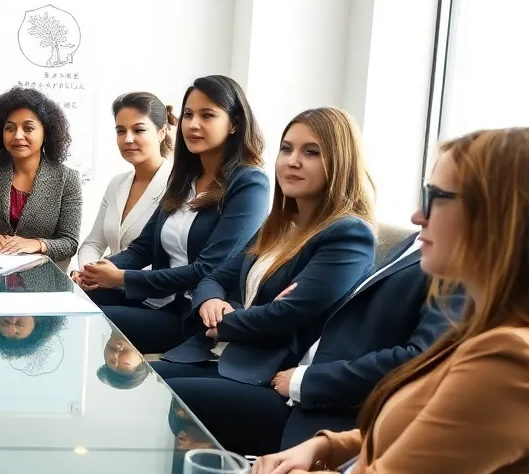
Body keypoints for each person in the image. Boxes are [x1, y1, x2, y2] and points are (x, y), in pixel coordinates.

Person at [252, 127, 529, 474]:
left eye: (436, 198)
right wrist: (328, 446)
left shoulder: (517, 364)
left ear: (504, 217)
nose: (418, 216)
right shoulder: (503, 335)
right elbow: (434, 436)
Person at [148, 108, 377, 449]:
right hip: (237, 356)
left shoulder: (348, 234)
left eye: (310, 152)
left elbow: (284, 317)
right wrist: (211, 299)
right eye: (286, 149)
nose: (292, 161)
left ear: (340, 161)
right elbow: (215, 276)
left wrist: (224, 324)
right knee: (143, 379)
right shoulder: (281, 225)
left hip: (277, 381)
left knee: (162, 392)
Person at [166, 226, 460, 455]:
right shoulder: (415, 240)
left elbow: (421, 359)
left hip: (329, 405)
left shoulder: (462, 261)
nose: (419, 213)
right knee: (169, 394)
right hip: (288, 370)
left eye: (439, 196)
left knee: (175, 396)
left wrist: (307, 381)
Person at [77, 75, 269, 354]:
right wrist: (92, 273)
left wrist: (123, 279)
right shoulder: (184, 178)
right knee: (77, 298)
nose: (193, 124)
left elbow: (208, 270)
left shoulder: (249, 183)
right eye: (189, 114)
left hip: (195, 313)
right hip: (160, 300)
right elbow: (142, 249)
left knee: (93, 320)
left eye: (207, 115)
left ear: (235, 124)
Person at [0, 87, 82, 262]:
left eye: (28, 128)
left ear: (46, 133)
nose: (18, 135)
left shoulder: (67, 179)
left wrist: (38, 244)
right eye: (10, 128)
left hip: (41, 279)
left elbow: (69, 242)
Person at [72, 92, 175, 281]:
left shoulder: (177, 184)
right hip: (107, 287)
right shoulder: (117, 183)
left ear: (161, 132)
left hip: (149, 294)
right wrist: (89, 273)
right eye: (121, 131)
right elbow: (93, 244)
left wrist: (99, 276)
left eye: (139, 130)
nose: (128, 139)